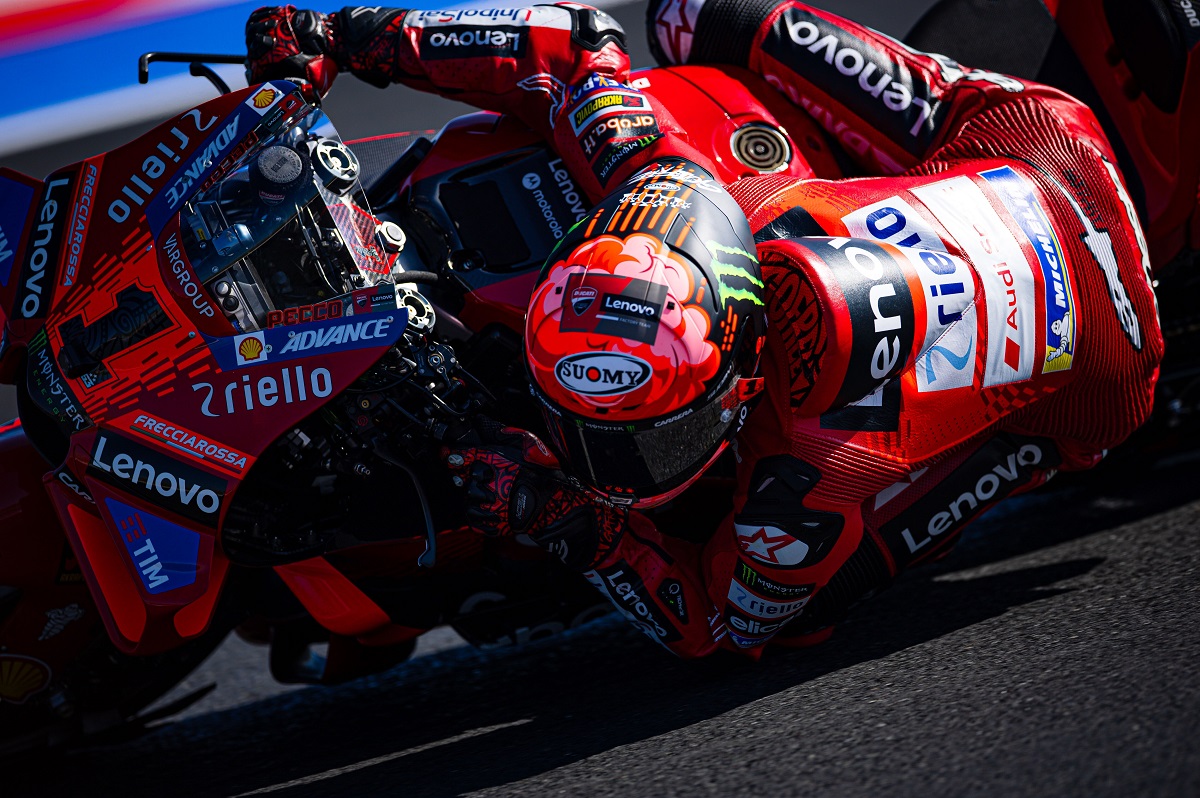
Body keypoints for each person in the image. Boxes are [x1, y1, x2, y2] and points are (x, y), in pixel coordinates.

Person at [246, 0, 1166, 657]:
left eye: (651, 439)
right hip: (1036, 147)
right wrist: (351, 37)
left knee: (807, 606)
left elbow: (718, 625)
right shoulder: (660, 180)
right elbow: (570, 43)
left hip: (1109, 359)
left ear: (741, 382)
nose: (607, 463)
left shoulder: (804, 474)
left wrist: (565, 517)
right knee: (695, 14)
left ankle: (1044, 450)